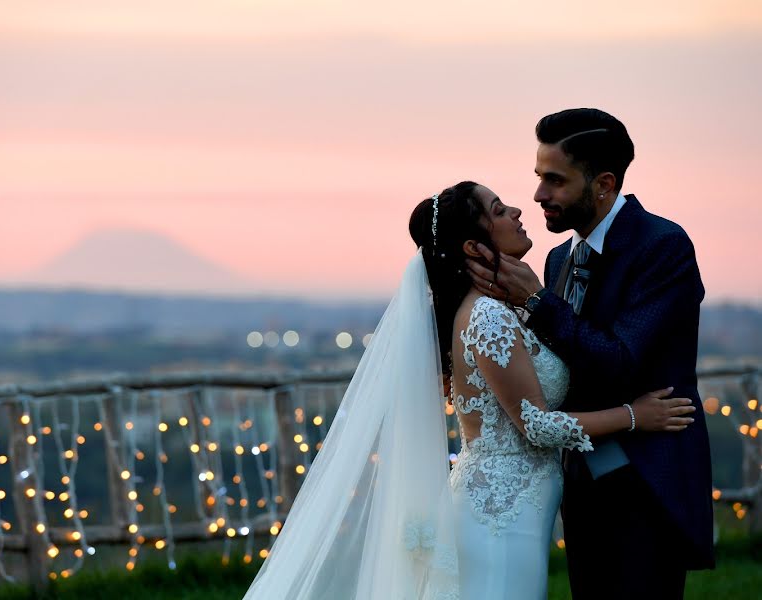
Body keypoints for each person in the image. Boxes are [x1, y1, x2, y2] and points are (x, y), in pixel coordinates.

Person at [242, 175, 694, 599]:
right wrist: (635, 416)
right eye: (499, 210)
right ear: (475, 246)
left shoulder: (505, 309)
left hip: (518, 505)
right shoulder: (488, 316)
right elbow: (535, 424)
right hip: (501, 512)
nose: (519, 209)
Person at [466, 108, 714, 599]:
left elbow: (622, 360)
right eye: (539, 177)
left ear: (603, 184)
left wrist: (537, 302)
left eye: (555, 181)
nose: (538, 195)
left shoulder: (662, 247)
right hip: (581, 484)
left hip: (647, 484)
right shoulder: (560, 256)